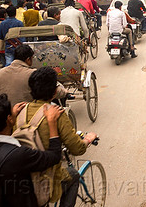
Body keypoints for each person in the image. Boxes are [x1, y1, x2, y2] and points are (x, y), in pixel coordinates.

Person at [0, 94, 64, 207]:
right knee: (72, 176)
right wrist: (52, 122)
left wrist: (11, 116)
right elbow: (54, 156)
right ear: (9, 119)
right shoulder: (19, 155)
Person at [21, 67, 97, 206]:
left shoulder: (20, 110)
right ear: (55, 92)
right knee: (73, 175)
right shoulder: (57, 114)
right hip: (44, 177)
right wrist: (88, 139)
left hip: (21, 174)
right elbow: (77, 149)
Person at [0, 45, 69, 105]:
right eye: (32, 58)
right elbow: (51, 89)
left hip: (6, 113)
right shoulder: (33, 74)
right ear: (28, 59)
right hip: (27, 112)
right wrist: (65, 92)